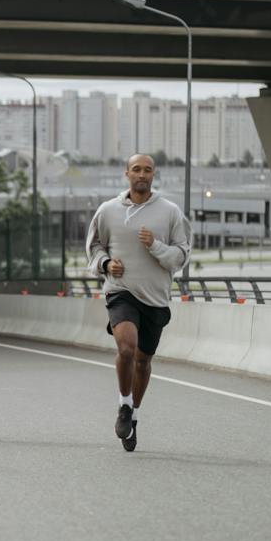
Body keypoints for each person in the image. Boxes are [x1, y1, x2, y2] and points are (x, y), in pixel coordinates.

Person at [84, 154, 191, 452]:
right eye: (136, 169)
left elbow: (182, 255)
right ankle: (124, 404)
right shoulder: (108, 211)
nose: (141, 174)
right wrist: (106, 265)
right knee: (127, 348)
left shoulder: (169, 212)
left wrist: (155, 245)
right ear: (126, 173)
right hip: (121, 291)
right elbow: (93, 246)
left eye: (147, 170)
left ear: (154, 175)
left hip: (155, 298)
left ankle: (135, 416)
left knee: (143, 361)